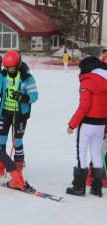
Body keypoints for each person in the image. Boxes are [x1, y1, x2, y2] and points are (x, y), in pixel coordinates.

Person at [0, 50, 38, 177]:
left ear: (17, 64)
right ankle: (0, 164)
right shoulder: (3, 75)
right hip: (5, 111)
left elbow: (34, 95)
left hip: (20, 113)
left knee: (17, 141)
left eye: (12, 68)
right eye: (7, 68)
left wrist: (23, 97)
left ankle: (18, 165)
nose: (10, 70)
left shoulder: (27, 78)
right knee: (1, 139)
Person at [66, 56, 107, 197]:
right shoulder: (105, 80)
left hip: (87, 124)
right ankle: (97, 188)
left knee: (80, 154)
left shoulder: (88, 81)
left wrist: (72, 124)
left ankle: (78, 187)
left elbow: (84, 107)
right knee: (96, 154)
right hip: (101, 124)